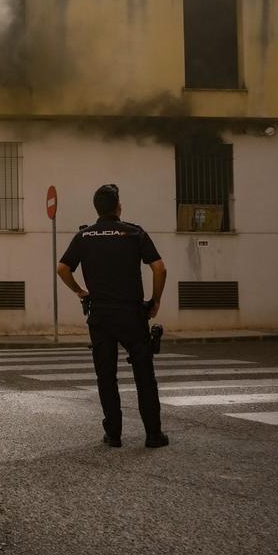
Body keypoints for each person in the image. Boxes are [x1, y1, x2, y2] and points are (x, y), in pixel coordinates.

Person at [56, 183, 169, 449]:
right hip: (132, 314)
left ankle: (114, 434)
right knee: (144, 375)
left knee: (106, 376)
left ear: (97, 209)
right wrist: (155, 301)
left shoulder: (84, 237)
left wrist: (81, 292)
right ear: (119, 207)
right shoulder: (134, 233)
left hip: (101, 316)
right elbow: (160, 269)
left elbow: (62, 268)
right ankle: (153, 435)